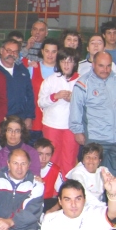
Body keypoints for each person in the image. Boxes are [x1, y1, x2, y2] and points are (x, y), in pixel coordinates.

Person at [70, 52, 116, 175]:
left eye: (108, 66)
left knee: (114, 176)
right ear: (93, 65)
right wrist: (77, 131)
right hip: (96, 137)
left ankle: (111, 195)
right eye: (101, 66)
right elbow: (76, 109)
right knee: (92, 174)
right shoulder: (83, 83)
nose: (105, 70)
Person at [38, 48, 81, 176]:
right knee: (52, 160)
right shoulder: (51, 80)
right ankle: (51, 191)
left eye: (70, 61)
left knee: (69, 160)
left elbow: (87, 105)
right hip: (52, 125)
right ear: (59, 63)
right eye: (63, 61)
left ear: (75, 63)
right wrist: (54, 97)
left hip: (71, 127)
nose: (66, 65)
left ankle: (67, 191)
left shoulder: (82, 81)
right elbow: (40, 102)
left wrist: (73, 99)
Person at [36, 139, 65, 212]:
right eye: (40, 154)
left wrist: (52, 210)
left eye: (47, 154)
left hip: (47, 202)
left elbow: (64, 194)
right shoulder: (26, 167)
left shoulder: (55, 170)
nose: (43, 158)